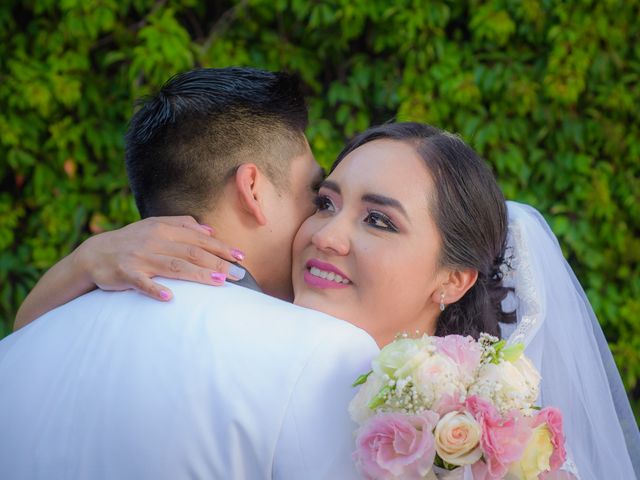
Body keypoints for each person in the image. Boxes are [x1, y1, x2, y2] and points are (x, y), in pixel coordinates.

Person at [13, 119, 640, 474]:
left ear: (452, 279)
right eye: (325, 202)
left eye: (380, 221)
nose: (326, 236)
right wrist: (86, 260)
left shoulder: (478, 441)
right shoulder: (281, 356)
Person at [0, 67, 380, 479]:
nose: (320, 223)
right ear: (252, 189)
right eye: (315, 195)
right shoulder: (323, 351)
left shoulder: (18, 349)